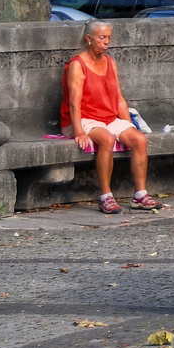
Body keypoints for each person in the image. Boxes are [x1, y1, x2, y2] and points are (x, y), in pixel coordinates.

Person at [59, 21, 158, 214]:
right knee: (106, 138)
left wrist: (129, 126)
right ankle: (106, 197)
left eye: (109, 38)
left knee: (139, 139)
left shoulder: (110, 62)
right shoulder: (77, 65)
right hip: (82, 118)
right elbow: (74, 102)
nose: (106, 42)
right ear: (89, 39)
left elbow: (119, 99)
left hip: (108, 117)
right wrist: (78, 131)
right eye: (102, 38)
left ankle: (140, 195)